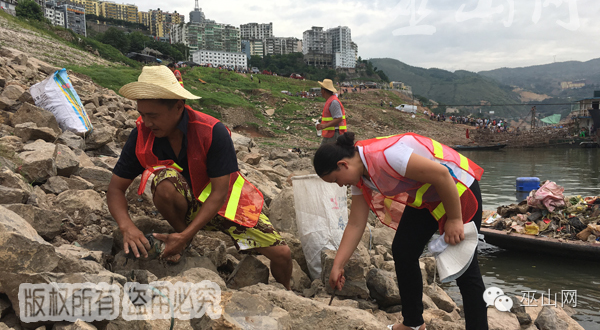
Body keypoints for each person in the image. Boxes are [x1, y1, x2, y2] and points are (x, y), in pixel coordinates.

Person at [108, 65, 292, 289]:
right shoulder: (142, 135)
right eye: (142, 114)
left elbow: (220, 193)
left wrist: (185, 235)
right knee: (163, 181)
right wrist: (127, 226)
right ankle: (185, 241)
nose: (147, 123)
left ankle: (286, 293)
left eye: (153, 116)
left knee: (282, 253)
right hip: (185, 205)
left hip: (225, 205)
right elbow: (115, 189)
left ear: (178, 107)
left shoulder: (212, 131)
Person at [313, 132, 488, 330]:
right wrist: (338, 264)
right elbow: (355, 224)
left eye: (337, 180)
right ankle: (413, 324)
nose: (341, 185)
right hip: (429, 197)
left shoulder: (388, 156)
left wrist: (455, 219)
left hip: (457, 189)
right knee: (404, 250)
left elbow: (442, 175)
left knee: (465, 267)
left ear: (343, 164)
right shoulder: (360, 176)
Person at [316, 79, 347, 145]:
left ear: (323, 90)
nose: (321, 92)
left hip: (335, 134)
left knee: (327, 153)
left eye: (321, 90)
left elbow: (339, 118)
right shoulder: (330, 101)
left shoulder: (333, 102)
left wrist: (324, 126)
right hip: (331, 133)